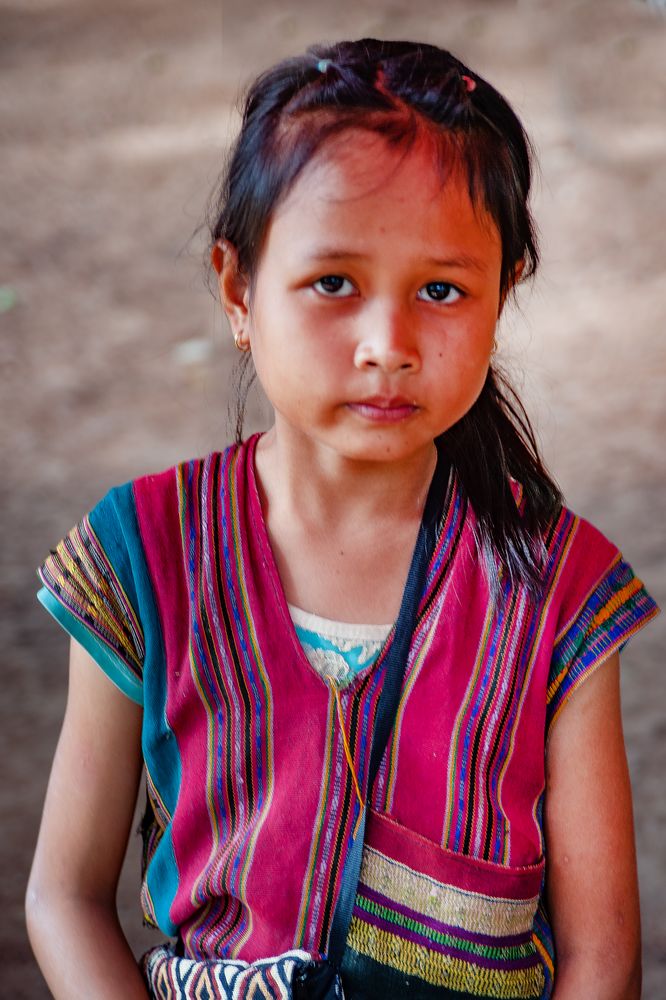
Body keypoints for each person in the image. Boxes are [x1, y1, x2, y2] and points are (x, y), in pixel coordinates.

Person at [26, 38, 658, 1000]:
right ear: (238, 290)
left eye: (441, 291)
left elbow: (602, 955)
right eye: (334, 284)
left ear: (504, 294)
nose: (387, 346)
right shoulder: (143, 554)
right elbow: (64, 897)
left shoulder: (556, 587)